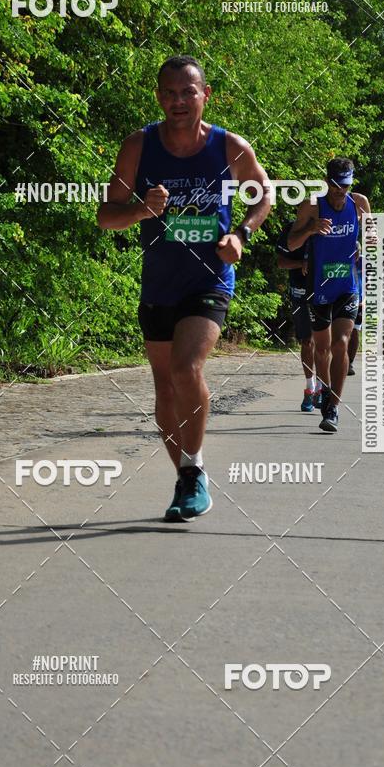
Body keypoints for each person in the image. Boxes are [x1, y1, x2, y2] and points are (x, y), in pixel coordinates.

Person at [97, 55, 271, 519]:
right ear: (159, 97)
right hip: (159, 284)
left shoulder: (228, 146)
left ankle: (193, 473)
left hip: (209, 279)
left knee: (185, 368)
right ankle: (186, 478)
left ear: (205, 95)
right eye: (169, 93)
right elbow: (106, 216)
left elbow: (264, 191)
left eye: (188, 91)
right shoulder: (138, 146)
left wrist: (242, 234)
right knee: (164, 390)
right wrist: (141, 210)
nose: (178, 101)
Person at [288, 157, 371, 433]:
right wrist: (310, 229)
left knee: (341, 344)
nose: (340, 191)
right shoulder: (312, 206)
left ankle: (333, 407)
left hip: (347, 286)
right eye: (336, 185)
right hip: (319, 287)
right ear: (327, 182)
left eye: (345, 186)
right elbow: (291, 243)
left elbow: (373, 239)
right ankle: (324, 389)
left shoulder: (360, 203)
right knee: (321, 350)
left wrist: (364, 247)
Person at [276, 221, 322, 411]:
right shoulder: (290, 229)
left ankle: (322, 388)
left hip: (323, 292)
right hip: (299, 293)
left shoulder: (329, 225)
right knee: (307, 341)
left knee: (323, 342)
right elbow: (280, 262)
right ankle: (310, 388)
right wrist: (301, 263)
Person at [347, 252, 363, 375]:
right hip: (344, 299)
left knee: (354, 331)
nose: (355, 256)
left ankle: (350, 363)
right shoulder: (344, 258)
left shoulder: (365, 262)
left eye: (358, 254)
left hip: (360, 301)